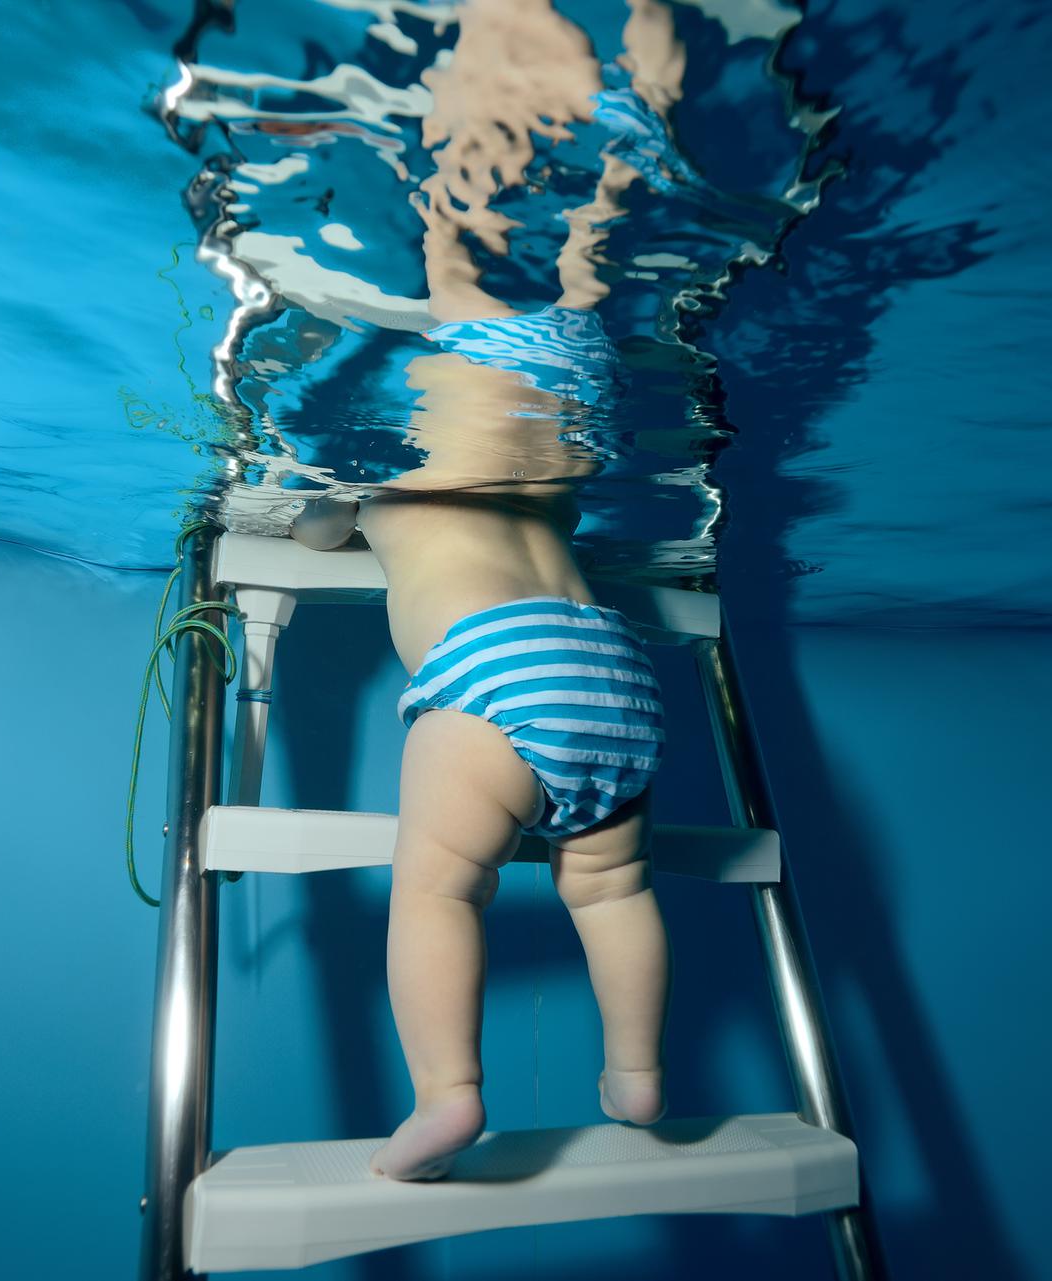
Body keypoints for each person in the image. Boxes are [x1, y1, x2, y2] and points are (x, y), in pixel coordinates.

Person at [301, 0, 690, 1181]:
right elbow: (546, 491)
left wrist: (324, 507)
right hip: (613, 673)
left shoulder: (384, 475)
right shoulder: (544, 487)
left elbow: (323, 522)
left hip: (497, 675)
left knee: (436, 888)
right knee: (613, 888)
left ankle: (448, 1098)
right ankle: (636, 1075)